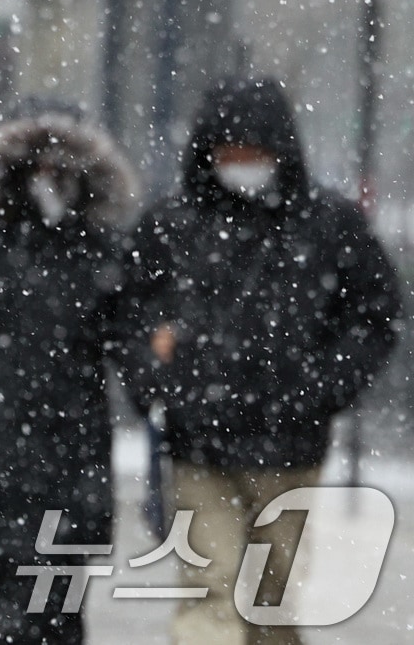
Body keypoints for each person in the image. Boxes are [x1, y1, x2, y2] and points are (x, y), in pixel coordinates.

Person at [114, 77, 401, 645]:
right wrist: (158, 381)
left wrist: (324, 386)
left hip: (289, 446)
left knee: (270, 598)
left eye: (253, 154)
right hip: (200, 445)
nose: (241, 166)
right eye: (229, 154)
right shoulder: (173, 227)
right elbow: (130, 315)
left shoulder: (328, 226)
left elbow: (374, 315)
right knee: (211, 586)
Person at [0, 104, 138, 645]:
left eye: (61, 170)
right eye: (39, 169)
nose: (49, 183)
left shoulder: (99, 249)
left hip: (68, 455)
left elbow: (129, 338)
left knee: (57, 609)